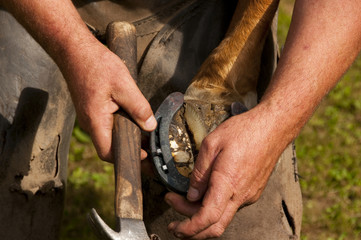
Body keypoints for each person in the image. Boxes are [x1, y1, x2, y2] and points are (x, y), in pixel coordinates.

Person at [0, 0, 360, 239]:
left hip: (197, 9)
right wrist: (72, 45)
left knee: (220, 207)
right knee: (13, 192)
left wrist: (275, 121)